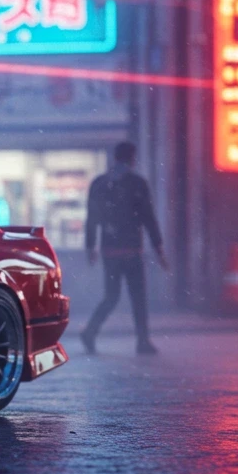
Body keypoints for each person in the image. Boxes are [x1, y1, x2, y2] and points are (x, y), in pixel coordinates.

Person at [80, 141, 169, 355]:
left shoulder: (99, 183)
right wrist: (159, 249)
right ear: (132, 158)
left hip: (110, 250)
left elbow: (92, 218)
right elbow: (148, 218)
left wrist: (91, 246)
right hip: (132, 250)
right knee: (138, 296)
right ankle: (142, 341)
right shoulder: (137, 183)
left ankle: (90, 331)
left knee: (111, 296)